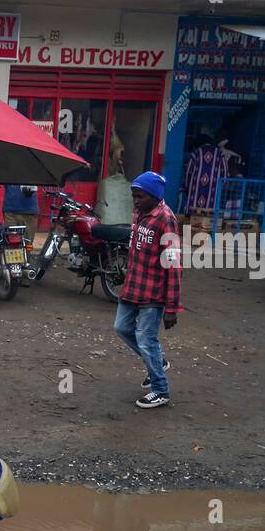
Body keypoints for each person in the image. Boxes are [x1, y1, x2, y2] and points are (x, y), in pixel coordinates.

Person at [114, 171, 181, 410]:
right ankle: (157, 362)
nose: (136, 200)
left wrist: (172, 307)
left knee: (145, 337)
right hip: (133, 286)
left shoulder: (166, 219)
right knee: (121, 327)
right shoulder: (139, 213)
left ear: (154, 195)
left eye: (140, 196)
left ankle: (160, 390)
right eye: (134, 196)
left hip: (154, 291)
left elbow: (173, 264)